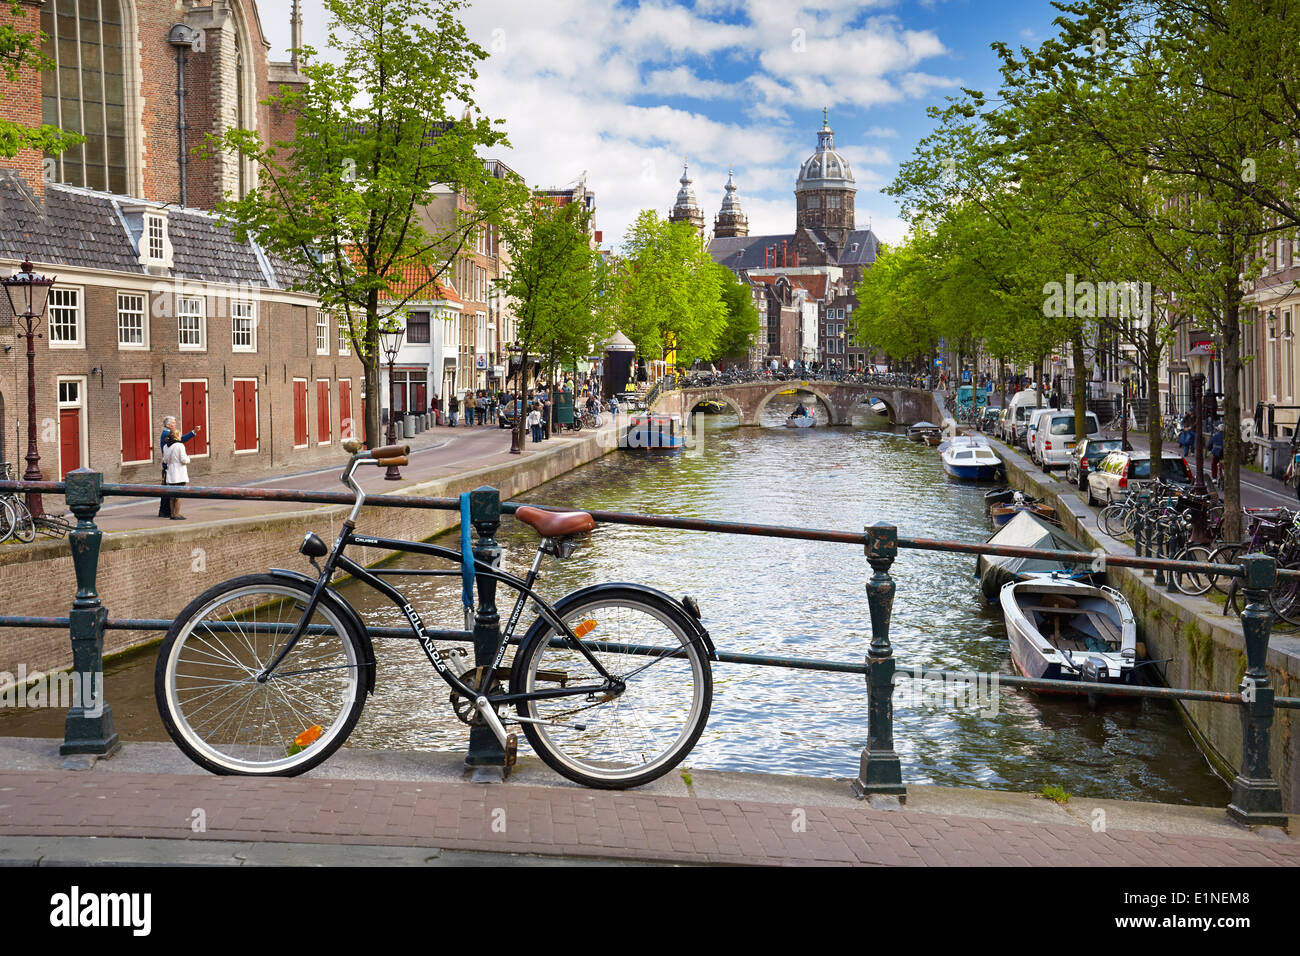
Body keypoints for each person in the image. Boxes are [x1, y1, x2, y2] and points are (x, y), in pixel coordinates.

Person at [157, 416, 198, 517]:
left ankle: (168, 512)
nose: (175, 425)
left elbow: (165, 457)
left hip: (169, 467)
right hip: (176, 471)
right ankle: (173, 513)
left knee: (169, 492)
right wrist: (193, 432)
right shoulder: (169, 436)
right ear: (168, 425)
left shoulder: (167, 442)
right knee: (177, 493)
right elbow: (181, 440)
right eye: (173, 423)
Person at [162, 433, 190, 520]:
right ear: (176, 436)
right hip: (179, 473)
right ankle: (177, 514)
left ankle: (172, 514)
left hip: (170, 473)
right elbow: (183, 460)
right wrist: (188, 458)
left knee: (172, 495)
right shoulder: (180, 445)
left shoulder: (166, 446)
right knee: (179, 495)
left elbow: (165, 460)